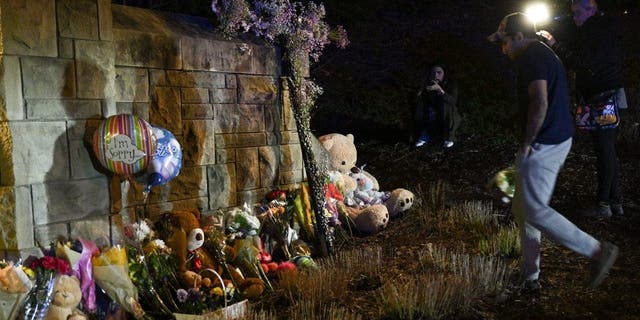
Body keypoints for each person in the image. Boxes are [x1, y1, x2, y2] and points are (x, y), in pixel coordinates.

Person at [487, 12, 618, 291]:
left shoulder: (532, 58)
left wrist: (527, 143)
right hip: (552, 138)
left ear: (520, 37)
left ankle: (597, 250)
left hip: (546, 142)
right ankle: (530, 276)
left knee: (533, 209)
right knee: (524, 209)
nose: (503, 48)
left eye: (505, 42)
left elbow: (540, 102)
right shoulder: (538, 54)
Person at [538, 0, 625, 218]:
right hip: (608, 94)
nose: (574, 17)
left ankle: (604, 204)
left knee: (604, 151)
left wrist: (554, 44)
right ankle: (615, 202)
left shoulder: (594, 31)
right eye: (572, 13)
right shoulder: (602, 29)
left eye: (578, 13)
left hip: (603, 97)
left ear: (592, 10)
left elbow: (582, 63)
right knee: (607, 151)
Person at [414, 64, 461, 148]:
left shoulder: (451, 83)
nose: (436, 75)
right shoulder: (427, 83)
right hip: (433, 113)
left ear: (444, 73)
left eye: (439, 72)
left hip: (449, 114)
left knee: (446, 103)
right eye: (433, 72)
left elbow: (453, 101)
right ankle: (425, 134)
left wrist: (440, 90)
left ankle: (449, 137)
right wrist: (420, 92)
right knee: (421, 104)